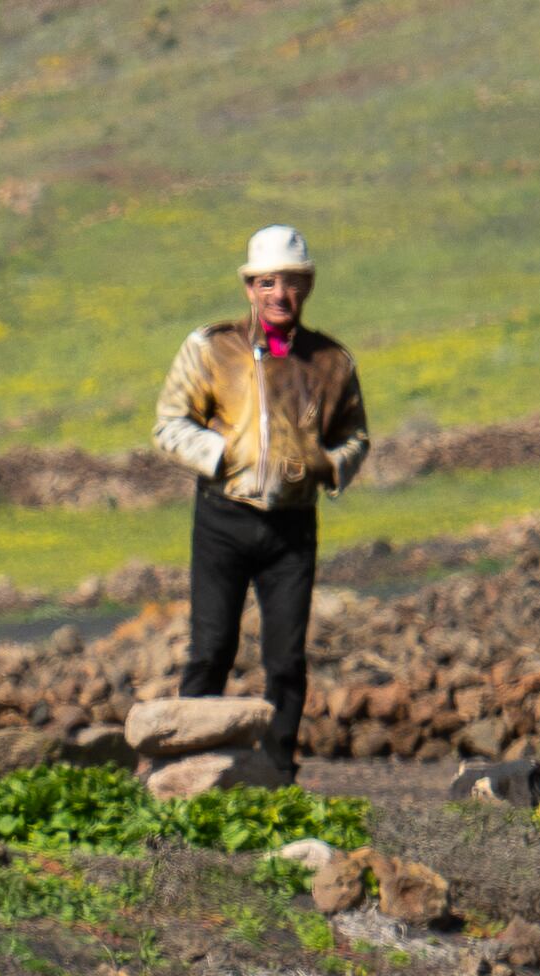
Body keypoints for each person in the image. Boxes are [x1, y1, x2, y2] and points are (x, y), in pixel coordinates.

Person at [151, 224, 369, 768]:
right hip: (222, 517)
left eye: (291, 283)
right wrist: (223, 456)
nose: (279, 295)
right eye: (267, 283)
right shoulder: (210, 348)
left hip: (292, 528)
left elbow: (356, 437)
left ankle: (277, 775)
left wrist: (328, 464)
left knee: (286, 660)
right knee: (210, 650)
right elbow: (169, 424)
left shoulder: (333, 363)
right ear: (249, 288)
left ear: (308, 288)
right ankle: (188, 769)